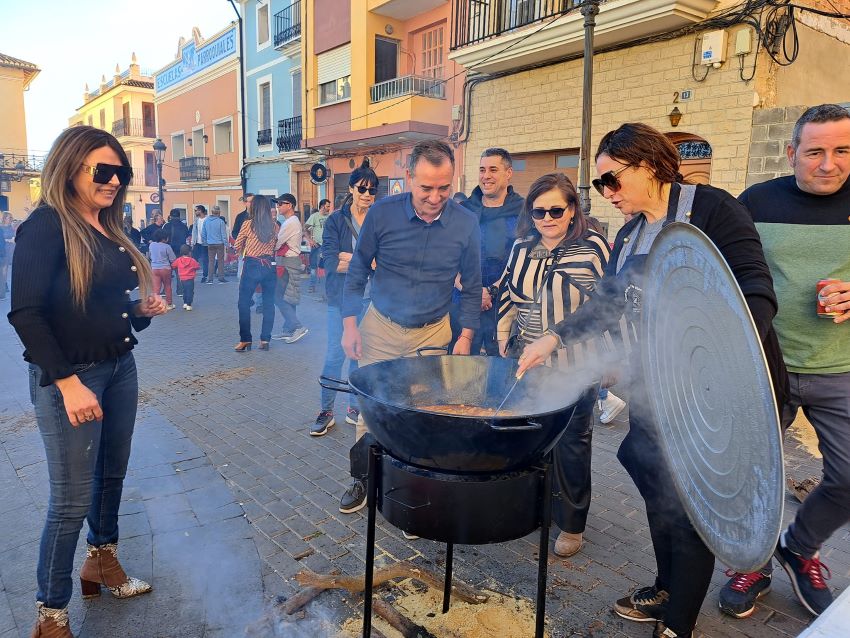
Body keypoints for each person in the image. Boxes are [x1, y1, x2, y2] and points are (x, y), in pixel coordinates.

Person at [516, 123, 787, 638]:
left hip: (715, 388)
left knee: (686, 500)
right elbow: (608, 302)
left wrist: (719, 358)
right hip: (657, 384)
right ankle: (667, 584)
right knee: (646, 466)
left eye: (612, 180)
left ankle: (678, 619)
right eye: (601, 185)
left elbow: (756, 288)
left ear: (648, 165)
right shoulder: (629, 233)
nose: (607, 193)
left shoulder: (713, 210)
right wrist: (553, 338)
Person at [6, 125, 166, 636]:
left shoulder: (108, 227)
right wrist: (67, 384)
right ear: (70, 167)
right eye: (103, 170)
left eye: (121, 171)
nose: (114, 180)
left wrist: (138, 311)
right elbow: (26, 313)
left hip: (120, 367)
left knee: (110, 478)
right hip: (71, 377)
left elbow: (102, 305)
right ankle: (51, 615)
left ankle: (101, 562)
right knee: (70, 500)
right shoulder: (45, 226)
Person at [718, 104, 850, 620]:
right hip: (765, 365)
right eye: (815, 151)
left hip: (839, 367)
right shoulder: (755, 201)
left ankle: (799, 547)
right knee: (750, 476)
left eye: (842, 150)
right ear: (792, 152)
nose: (829, 163)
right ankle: (751, 561)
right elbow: (724, 270)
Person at [338, 140, 482, 517]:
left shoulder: (466, 223)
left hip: (433, 332)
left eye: (444, 188)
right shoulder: (382, 214)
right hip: (380, 327)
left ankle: (411, 492)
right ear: (408, 177)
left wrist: (466, 336)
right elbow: (357, 271)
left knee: (421, 412)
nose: (435, 197)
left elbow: (472, 285)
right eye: (426, 188)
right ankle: (364, 478)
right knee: (372, 408)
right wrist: (349, 326)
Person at [496, 172, 610, 558]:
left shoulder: (592, 247)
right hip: (530, 360)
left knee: (572, 444)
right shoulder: (521, 247)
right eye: (539, 211)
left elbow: (608, 305)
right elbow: (508, 292)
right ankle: (540, 506)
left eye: (556, 210)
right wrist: (502, 332)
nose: (547, 218)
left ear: (572, 209)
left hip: (576, 362)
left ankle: (572, 523)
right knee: (534, 438)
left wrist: (613, 359)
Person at [312, 161, 378, 436]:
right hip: (341, 301)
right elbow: (330, 263)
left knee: (359, 355)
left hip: (371, 300)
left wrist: (348, 258)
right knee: (335, 354)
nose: (367, 194)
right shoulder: (336, 221)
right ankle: (327, 410)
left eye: (372, 190)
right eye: (362, 188)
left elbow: (383, 261)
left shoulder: (378, 218)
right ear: (351, 189)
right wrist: (365, 261)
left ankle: (353, 407)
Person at [457, 147, 524, 355]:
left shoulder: (524, 212)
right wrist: (472, 290)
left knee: (501, 366)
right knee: (460, 367)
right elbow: (447, 257)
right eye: (482, 170)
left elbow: (524, 260)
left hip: (506, 306)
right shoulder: (463, 211)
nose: (486, 176)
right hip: (464, 302)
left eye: (493, 170)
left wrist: (492, 290)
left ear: (508, 173)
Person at [233, 195, 279, 351]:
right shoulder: (274, 226)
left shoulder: (247, 224)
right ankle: (265, 340)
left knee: (244, 303)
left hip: (252, 264)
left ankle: (245, 339)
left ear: (255, 207)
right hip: (269, 265)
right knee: (269, 303)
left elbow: (237, 245)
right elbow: (276, 245)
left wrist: (244, 250)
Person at [271, 193, 308, 343]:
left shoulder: (290, 222)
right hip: (289, 261)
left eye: (280, 204)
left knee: (278, 297)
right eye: (277, 204)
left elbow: (276, 244)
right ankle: (289, 329)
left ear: (290, 205)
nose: (278, 206)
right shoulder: (290, 221)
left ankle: (297, 326)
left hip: (287, 262)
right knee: (289, 297)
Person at [304, 198, 331, 293]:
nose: (329, 208)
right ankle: (312, 285)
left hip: (327, 246)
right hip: (317, 246)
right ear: (322, 206)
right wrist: (310, 240)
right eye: (328, 206)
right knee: (313, 267)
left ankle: (327, 287)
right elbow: (305, 228)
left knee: (327, 267)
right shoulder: (314, 216)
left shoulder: (330, 217)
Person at [162, 209, 190, 296]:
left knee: (167, 272)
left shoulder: (166, 226)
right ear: (179, 216)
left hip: (168, 250)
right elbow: (187, 238)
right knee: (179, 271)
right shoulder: (184, 226)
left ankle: (165, 290)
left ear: (170, 216)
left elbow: (162, 238)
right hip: (180, 251)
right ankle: (180, 290)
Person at [148, 230, 176, 309]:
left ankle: (155, 304)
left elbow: (150, 256)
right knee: (167, 286)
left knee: (156, 288)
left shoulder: (152, 245)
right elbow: (172, 259)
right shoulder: (167, 247)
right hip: (165, 268)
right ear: (164, 238)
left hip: (154, 268)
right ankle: (169, 304)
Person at [202, 205, 228, 283]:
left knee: (211, 261)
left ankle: (210, 279)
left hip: (210, 244)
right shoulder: (221, 222)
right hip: (219, 244)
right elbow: (223, 235)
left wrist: (205, 242)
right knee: (220, 261)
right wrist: (226, 245)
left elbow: (203, 233)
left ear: (212, 212)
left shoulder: (206, 221)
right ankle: (221, 277)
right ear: (219, 212)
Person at [232, 192, 254, 280]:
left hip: (257, 250)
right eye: (251, 201)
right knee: (241, 273)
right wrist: (240, 241)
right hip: (244, 249)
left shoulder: (260, 215)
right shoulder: (240, 216)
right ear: (245, 203)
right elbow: (234, 232)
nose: (253, 203)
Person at [172, 245, 201, 311]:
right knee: (190, 291)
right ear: (189, 252)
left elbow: (173, 265)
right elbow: (197, 267)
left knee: (184, 291)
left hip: (182, 278)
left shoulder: (179, 260)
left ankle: (185, 303)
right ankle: (189, 304)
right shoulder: (192, 260)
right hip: (190, 278)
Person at [191, 204, 209, 282]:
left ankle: (205, 276)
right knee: (194, 259)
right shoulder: (196, 220)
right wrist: (192, 242)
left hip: (205, 243)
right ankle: (192, 275)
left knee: (205, 260)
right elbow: (194, 231)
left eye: (196, 210)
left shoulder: (207, 220)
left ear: (200, 211)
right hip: (197, 242)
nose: (195, 212)